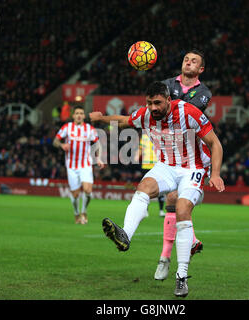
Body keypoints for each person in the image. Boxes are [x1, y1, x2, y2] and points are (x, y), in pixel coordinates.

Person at [90, 81, 225, 297]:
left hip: (193, 168)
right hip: (166, 166)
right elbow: (124, 121)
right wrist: (101, 119)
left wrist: (215, 174)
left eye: (158, 103)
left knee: (182, 210)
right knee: (143, 187)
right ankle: (125, 235)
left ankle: (181, 277)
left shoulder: (188, 112)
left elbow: (215, 144)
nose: (154, 108)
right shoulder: (146, 115)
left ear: (168, 100)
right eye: (150, 103)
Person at [155, 49, 212, 281]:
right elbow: (157, 107)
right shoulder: (167, 83)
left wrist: (165, 105)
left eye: (194, 61)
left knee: (174, 200)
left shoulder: (204, 92)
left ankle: (164, 258)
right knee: (176, 204)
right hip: (173, 152)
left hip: (196, 155)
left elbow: (186, 114)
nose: (188, 62)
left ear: (201, 69)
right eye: (186, 59)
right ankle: (190, 241)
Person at [53, 106, 105, 224]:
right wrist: (62, 145)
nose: (79, 115)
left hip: (85, 164)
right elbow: (55, 141)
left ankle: (84, 211)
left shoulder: (90, 129)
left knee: (88, 190)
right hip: (71, 166)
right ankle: (76, 212)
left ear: (84, 116)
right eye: (77, 113)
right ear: (73, 116)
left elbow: (97, 144)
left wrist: (98, 158)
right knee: (75, 194)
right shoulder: (67, 127)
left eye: (81, 113)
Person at [138, 132, 165, 216]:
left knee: (161, 188)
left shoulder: (160, 136)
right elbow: (140, 149)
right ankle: (145, 210)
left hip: (158, 165)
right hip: (146, 166)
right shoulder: (145, 137)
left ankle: (161, 210)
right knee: (146, 189)